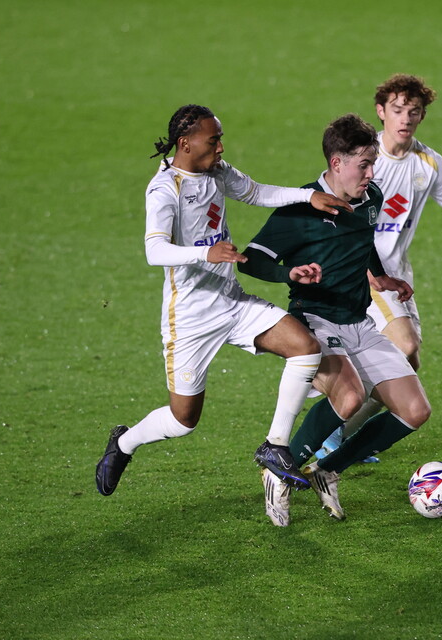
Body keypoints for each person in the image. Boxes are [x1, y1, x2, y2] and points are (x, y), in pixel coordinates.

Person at [95, 104, 350, 496]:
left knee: (304, 348)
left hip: (232, 303)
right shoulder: (165, 189)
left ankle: (275, 446)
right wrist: (205, 253)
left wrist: (308, 198)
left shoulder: (216, 172)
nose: (221, 147)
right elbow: (154, 250)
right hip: (191, 320)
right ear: (185, 143)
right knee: (183, 421)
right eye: (213, 140)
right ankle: (124, 444)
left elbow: (256, 192)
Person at [238, 113, 431, 526]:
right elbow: (251, 260)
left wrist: (378, 275)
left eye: (373, 162)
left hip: (359, 322)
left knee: (415, 410)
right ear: (336, 162)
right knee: (349, 397)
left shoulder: (371, 196)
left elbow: (363, 239)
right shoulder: (300, 208)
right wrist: (287, 273)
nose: (371, 172)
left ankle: (328, 469)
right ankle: (278, 473)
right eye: (363, 163)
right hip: (315, 321)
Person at [317, 73, 442, 460]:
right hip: (361, 274)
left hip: (397, 276)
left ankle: (340, 429)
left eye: (414, 112)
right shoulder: (363, 157)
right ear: (380, 112)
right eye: (397, 110)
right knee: (404, 346)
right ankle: (333, 428)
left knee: (407, 361)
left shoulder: (428, 164)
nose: (406, 118)